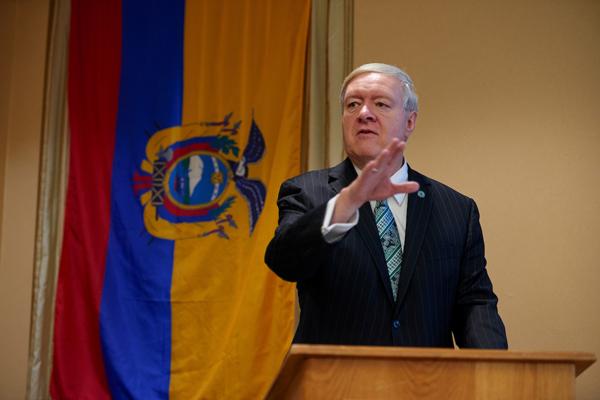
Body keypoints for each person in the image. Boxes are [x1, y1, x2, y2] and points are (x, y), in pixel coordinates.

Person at [265, 63, 507, 348]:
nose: (364, 114)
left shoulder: (457, 209)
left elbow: (474, 304)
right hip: (335, 384)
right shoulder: (307, 192)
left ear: (410, 122)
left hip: (427, 385)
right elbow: (285, 262)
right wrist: (349, 201)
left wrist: (493, 375)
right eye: (353, 105)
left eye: (380, 104)